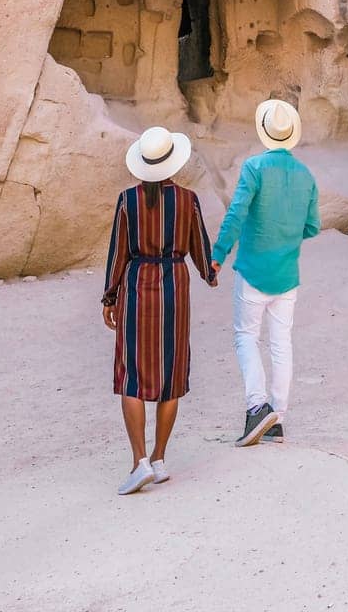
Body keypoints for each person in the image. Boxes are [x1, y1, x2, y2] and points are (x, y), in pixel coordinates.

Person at [102, 125, 217, 495]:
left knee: (131, 373)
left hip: (138, 286)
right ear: (173, 162)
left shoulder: (128, 200)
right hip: (174, 287)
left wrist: (110, 296)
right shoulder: (188, 200)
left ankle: (139, 463)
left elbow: (119, 251)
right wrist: (208, 273)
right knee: (170, 374)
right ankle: (160, 458)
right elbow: (200, 247)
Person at [211, 98, 320, 446]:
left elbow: (236, 214)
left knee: (246, 336)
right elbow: (313, 226)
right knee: (280, 343)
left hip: (253, 270)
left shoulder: (254, 168)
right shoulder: (306, 176)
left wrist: (218, 254)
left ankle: (257, 407)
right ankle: (278, 420)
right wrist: (287, 237)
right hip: (287, 274)